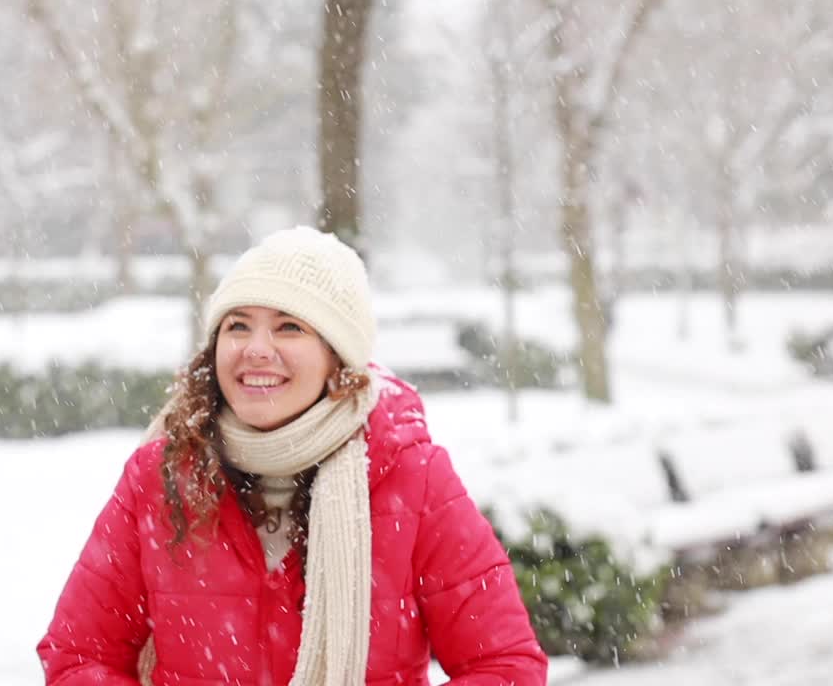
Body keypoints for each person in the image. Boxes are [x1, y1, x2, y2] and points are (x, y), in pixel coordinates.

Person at [37, 226, 547, 685]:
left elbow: (505, 666)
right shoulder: (161, 475)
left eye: (289, 327)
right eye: (238, 326)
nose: (257, 348)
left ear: (337, 358)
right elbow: (79, 655)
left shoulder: (412, 476)